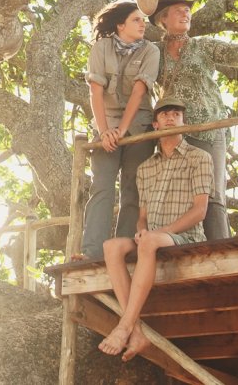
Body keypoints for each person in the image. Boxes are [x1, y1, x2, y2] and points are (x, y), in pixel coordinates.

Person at [148, 0, 238, 241]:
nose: (186, 14)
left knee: (212, 195)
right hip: (173, 131)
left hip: (209, 128)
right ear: (163, 19)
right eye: (178, 10)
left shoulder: (203, 46)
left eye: (187, 10)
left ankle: (220, 252)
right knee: (176, 194)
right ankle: (179, 250)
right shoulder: (154, 53)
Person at [97, 102, 210, 360]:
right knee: (111, 246)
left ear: (184, 122)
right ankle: (136, 331)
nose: (171, 118)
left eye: (177, 114)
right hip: (152, 237)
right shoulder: (145, 167)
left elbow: (200, 211)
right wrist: (141, 231)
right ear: (155, 124)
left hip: (184, 237)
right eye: (165, 115)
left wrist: (159, 233)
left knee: (149, 243)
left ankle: (124, 326)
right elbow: (143, 216)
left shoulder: (199, 157)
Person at [80, 0, 160, 260]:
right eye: (136, 19)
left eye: (143, 20)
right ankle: (93, 252)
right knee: (101, 185)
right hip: (106, 124)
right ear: (120, 24)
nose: (143, 24)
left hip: (138, 125)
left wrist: (123, 130)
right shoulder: (100, 49)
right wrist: (104, 132)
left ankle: (124, 249)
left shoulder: (151, 51)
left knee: (133, 188)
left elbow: (139, 93)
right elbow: (95, 91)